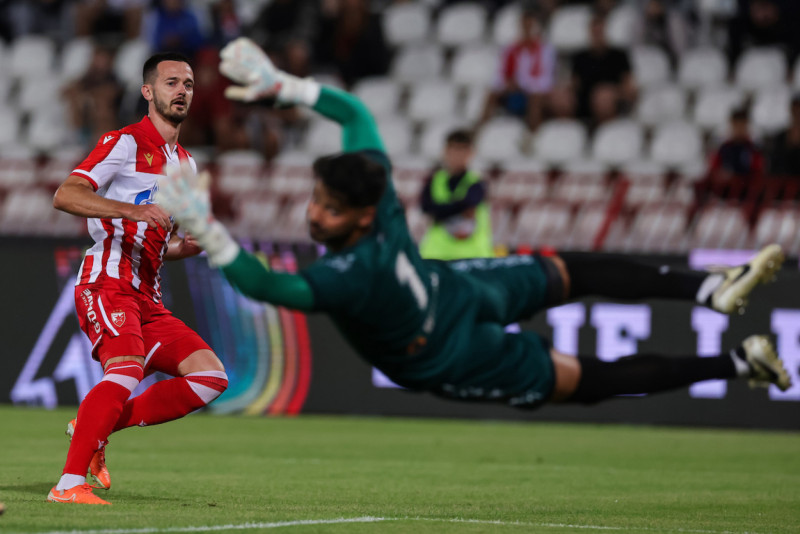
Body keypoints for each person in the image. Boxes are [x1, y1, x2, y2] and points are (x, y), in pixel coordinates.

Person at [158, 38, 790, 435]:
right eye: (317, 200)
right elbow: (353, 113)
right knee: (582, 332)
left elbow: (269, 285)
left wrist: (210, 227)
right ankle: (727, 337)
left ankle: (720, 315)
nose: (314, 215)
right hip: (449, 320)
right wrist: (288, 90)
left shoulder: (352, 269)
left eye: (327, 208)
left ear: (361, 217)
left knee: (581, 324)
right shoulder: (377, 203)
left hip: (449, 324)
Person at [48, 52, 229, 505]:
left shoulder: (185, 164)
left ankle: (97, 425)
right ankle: (67, 485)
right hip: (107, 280)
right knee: (126, 369)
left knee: (210, 377)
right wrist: (131, 210)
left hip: (148, 295)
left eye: (188, 84)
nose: (182, 90)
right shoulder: (124, 142)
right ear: (148, 91)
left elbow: (154, 238)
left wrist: (182, 248)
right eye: (171, 82)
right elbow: (66, 194)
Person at [418, 128, 494, 261]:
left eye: (462, 150)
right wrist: (458, 208)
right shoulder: (434, 180)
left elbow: (468, 203)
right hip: (437, 255)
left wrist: (439, 211)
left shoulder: (477, 182)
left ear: (470, 153)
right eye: (454, 150)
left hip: (472, 256)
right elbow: (426, 208)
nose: (457, 156)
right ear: (445, 152)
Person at [478, 6, 556, 131]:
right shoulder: (511, 49)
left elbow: (546, 80)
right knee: (491, 93)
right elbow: (500, 75)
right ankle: (481, 129)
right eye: (524, 26)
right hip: (514, 90)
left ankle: (533, 133)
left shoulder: (545, 50)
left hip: (533, 91)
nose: (526, 30)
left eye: (529, 26)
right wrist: (507, 84)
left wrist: (522, 84)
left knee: (535, 99)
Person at [571, 14, 636, 126]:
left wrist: (612, 93)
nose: (597, 36)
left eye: (600, 32)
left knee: (603, 97)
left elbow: (628, 86)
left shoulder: (619, 56)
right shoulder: (580, 58)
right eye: (595, 32)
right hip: (585, 102)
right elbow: (575, 86)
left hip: (612, 100)